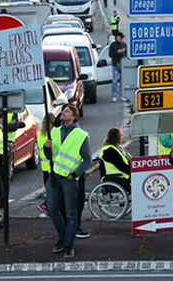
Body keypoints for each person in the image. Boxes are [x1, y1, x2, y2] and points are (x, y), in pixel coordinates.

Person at [45, 105, 91, 258]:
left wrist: (75, 174)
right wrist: (46, 148)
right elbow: (50, 155)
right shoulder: (55, 131)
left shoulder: (81, 135)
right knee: (52, 208)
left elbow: (87, 159)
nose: (63, 113)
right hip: (54, 176)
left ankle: (68, 245)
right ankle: (64, 237)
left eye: (67, 111)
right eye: (63, 110)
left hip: (69, 178)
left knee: (71, 213)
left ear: (74, 116)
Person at [99, 128, 130, 192]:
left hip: (114, 178)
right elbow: (122, 166)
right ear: (117, 137)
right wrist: (132, 171)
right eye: (121, 135)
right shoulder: (110, 150)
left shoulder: (109, 148)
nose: (122, 137)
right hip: (118, 178)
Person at [108, 32, 127, 102]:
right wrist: (117, 52)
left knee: (122, 81)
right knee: (115, 81)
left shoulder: (124, 45)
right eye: (120, 38)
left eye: (122, 38)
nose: (121, 39)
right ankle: (114, 96)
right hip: (115, 64)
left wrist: (124, 52)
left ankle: (122, 95)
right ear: (117, 37)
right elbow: (110, 54)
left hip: (123, 65)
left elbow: (127, 54)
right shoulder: (113, 45)